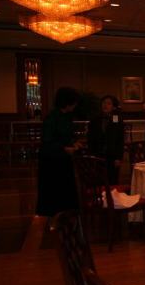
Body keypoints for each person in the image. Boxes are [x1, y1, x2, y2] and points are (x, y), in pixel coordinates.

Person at [36, 87, 83, 217]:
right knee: (53, 190)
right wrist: (64, 148)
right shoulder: (52, 118)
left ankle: (65, 214)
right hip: (51, 160)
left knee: (66, 188)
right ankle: (52, 216)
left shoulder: (68, 116)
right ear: (67, 102)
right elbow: (47, 141)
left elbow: (69, 135)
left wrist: (74, 142)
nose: (75, 105)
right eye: (74, 102)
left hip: (64, 159)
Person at [86, 95, 125, 184]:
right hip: (98, 155)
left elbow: (120, 140)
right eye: (104, 103)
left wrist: (119, 158)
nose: (105, 105)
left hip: (112, 156)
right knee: (98, 180)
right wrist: (91, 155)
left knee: (112, 180)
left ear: (114, 107)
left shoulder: (117, 119)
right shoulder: (94, 120)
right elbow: (90, 139)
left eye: (108, 103)